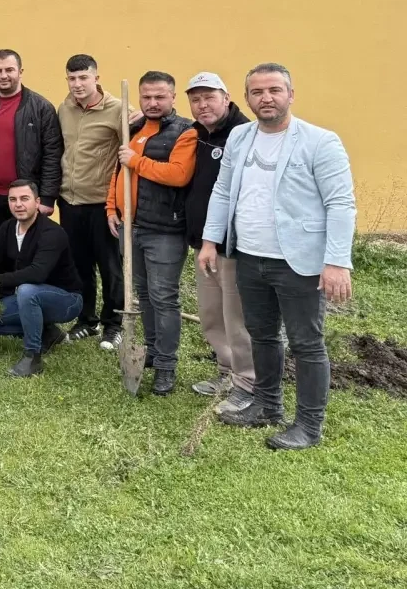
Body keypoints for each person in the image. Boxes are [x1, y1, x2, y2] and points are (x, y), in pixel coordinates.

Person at [199, 63, 355, 451]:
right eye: (257, 92)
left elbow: (340, 203)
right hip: (250, 257)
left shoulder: (320, 141)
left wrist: (336, 261)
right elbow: (222, 191)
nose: (266, 98)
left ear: (290, 94)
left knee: (306, 343)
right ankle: (267, 406)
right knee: (261, 335)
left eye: (274, 90)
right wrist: (209, 241)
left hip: (299, 261)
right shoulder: (239, 137)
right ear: (247, 98)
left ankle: (308, 425)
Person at [106, 70, 197, 396]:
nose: (153, 102)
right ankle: (152, 351)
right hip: (132, 227)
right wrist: (111, 208)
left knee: (164, 298)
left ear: (173, 97)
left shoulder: (185, 132)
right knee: (144, 296)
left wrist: (137, 160)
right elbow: (118, 171)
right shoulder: (133, 128)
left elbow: (178, 174)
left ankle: (166, 367)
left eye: (160, 96)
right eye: (147, 97)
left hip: (164, 231)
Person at [183, 72, 255, 413]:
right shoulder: (197, 134)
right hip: (204, 244)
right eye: (196, 99)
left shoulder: (244, 135)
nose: (202, 105)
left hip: (235, 246)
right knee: (211, 314)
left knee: (237, 317)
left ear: (226, 98)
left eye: (209, 97)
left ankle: (248, 382)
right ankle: (226, 372)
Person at [0, 180, 82, 377]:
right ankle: (50, 333)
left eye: (24, 199)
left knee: (27, 290)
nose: (18, 204)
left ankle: (32, 357)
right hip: (29, 298)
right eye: (13, 199)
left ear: (37, 202)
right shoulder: (7, 229)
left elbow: (37, 273)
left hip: (66, 300)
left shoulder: (52, 232)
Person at [0, 49, 63, 252]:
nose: (3, 75)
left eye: (9, 70)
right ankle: (3, 285)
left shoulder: (41, 108)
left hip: (27, 198)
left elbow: (52, 156)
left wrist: (48, 197)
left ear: (20, 71)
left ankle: (25, 286)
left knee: (28, 253)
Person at [57, 54, 126, 349]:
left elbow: (133, 147)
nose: (77, 84)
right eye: (72, 79)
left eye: (83, 78)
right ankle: (87, 320)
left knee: (110, 266)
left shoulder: (118, 110)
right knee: (79, 265)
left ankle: (114, 324)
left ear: (96, 78)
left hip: (103, 204)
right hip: (70, 201)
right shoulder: (65, 108)